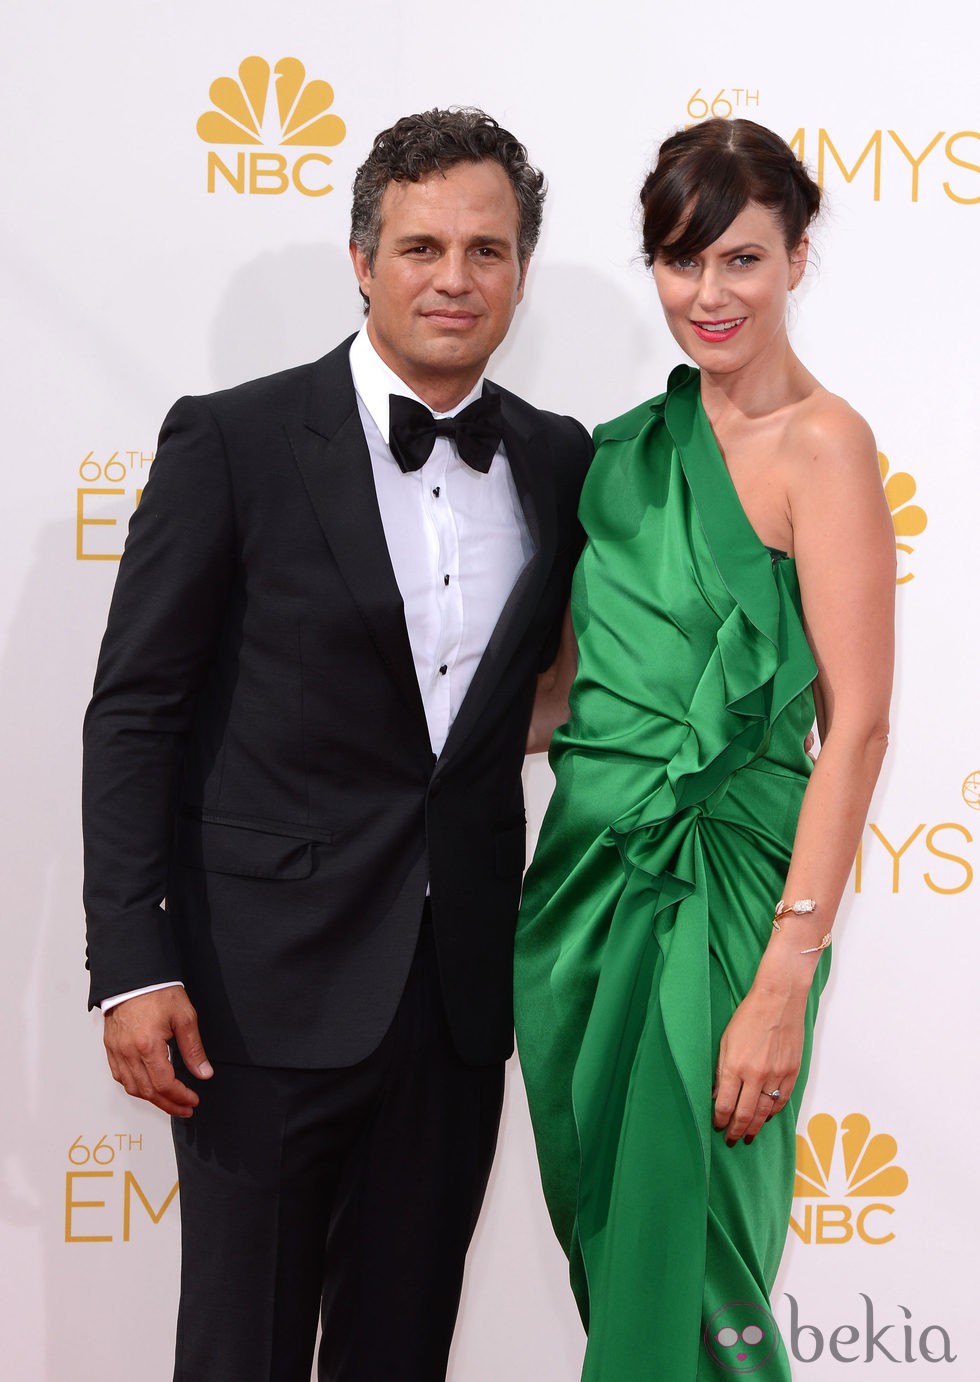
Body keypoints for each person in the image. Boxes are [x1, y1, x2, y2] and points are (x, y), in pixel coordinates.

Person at [82, 107, 591, 1382]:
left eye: (487, 248)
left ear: (521, 268)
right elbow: (135, 708)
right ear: (361, 260)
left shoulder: (555, 457)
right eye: (421, 245)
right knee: (239, 1351)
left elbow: (514, 706)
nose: (455, 277)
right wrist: (130, 960)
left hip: (457, 994)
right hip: (253, 993)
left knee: (400, 1348)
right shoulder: (234, 439)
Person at [515, 117, 895, 1380]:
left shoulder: (824, 444)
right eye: (680, 262)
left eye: (740, 258)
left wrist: (787, 969)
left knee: (704, 1259)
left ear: (796, 255)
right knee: (618, 1243)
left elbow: (859, 722)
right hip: (580, 889)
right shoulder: (620, 451)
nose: (708, 294)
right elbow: (565, 699)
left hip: (729, 899)